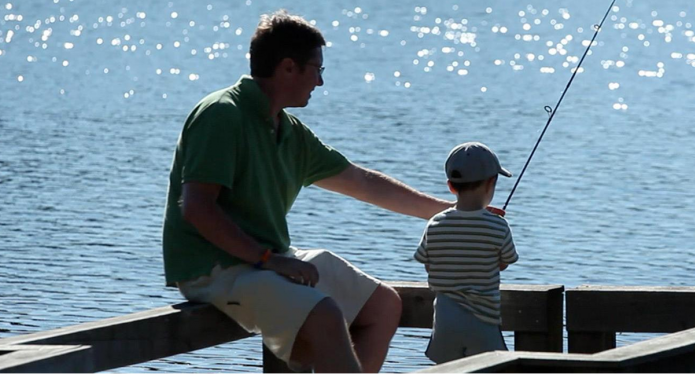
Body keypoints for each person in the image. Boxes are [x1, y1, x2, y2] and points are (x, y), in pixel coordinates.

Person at [161, 10, 455, 374]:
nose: (319, 81)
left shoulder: (289, 131)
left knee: (382, 305)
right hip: (214, 269)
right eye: (317, 69)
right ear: (288, 68)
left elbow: (362, 183)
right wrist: (269, 260)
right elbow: (197, 209)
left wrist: (449, 211)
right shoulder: (222, 115)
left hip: (265, 261)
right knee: (324, 313)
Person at [414, 142, 520, 364]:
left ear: (451, 187)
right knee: (490, 368)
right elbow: (505, 261)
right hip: (483, 321)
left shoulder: (435, 224)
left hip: (445, 320)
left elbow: (428, 264)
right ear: (491, 183)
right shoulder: (498, 226)